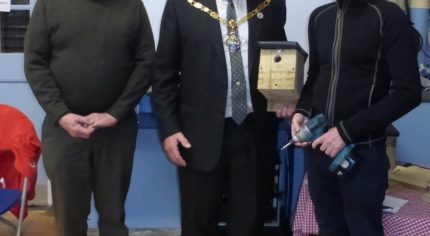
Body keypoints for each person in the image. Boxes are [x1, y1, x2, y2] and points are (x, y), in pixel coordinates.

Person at [151, 0, 291, 235]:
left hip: (253, 132)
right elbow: (164, 73)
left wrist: (284, 95)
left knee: (248, 222)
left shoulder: (271, 4)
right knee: (199, 222)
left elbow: (280, 55)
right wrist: (169, 129)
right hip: (197, 133)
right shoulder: (182, 5)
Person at [24, 0, 155, 235]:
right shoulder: (49, 4)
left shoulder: (132, 6)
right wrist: (62, 114)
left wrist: (115, 113)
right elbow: (35, 63)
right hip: (63, 131)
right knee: (69, 221)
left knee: (113, 219)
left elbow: (146, 63)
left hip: (116, 130)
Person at [292, 0, 422, 235]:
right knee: (329, 229)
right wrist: (303, 110)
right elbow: (316, 76)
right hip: (320, 153)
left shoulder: (388, 16)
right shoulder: (320, 16)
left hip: (364, 155)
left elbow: (408, 93)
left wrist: (345, 132)